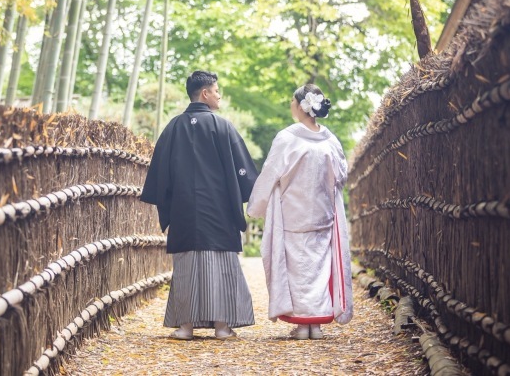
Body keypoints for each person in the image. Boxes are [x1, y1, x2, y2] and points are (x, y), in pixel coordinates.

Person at [141, 70, 258, 340]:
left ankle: (185, 326)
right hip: (219, 210)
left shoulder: (173, 127)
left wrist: (169, 202)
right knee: (222, 265)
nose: (219, 95)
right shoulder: (223, 127)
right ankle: (222, 327)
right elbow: (244, 172)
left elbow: (160, 174)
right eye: (217, 91)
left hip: (184, 211)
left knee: (187, 266)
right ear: (205, 94)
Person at [246, 84, 353, 340]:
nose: (291, 106)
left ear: (300, 106)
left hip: (293, 212)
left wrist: (256, 206)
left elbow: (270, 173)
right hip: (322, 213)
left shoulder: (287, 138)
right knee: (318, 267)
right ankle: (314, 325)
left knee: (297, 268)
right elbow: (341, 177)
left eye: (292, 102)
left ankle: (303, 324)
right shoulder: (330, 141)